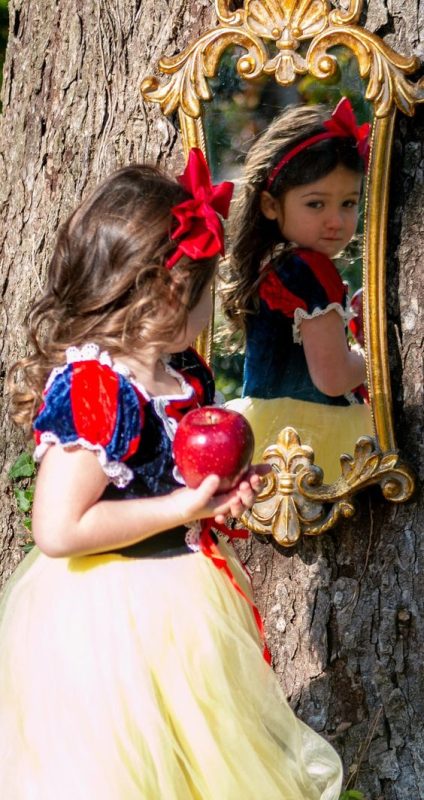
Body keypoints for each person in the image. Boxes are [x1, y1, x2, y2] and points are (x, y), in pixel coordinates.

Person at [0, 149, 343, 799]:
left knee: (193, 766)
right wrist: (180, 508)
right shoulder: (97, 385)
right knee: (125, 769)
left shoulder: (182, 373)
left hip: (180, 608)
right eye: (205, 291)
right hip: (108, 616)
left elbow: (165, 480)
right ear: (162, 292)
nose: (210, 309)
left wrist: (210, 501)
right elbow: (60, 527)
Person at [222, 98, 373, 483]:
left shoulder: (275, 264)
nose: (336, 220)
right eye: (316, 204)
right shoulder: (309, 269)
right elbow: (333, 377)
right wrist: (376, 359)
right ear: (271, 205)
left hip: (269, 424)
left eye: (349, 202)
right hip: (309, 433)